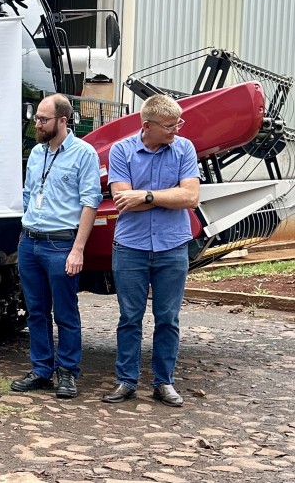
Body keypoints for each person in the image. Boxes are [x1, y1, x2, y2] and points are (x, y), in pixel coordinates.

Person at [103, 94, 199, 407]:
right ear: (147, 125)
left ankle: (164, 383)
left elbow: (190, 198)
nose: (176, 129)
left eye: (178, 123)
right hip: (131, 247)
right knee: (130, 317)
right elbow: (122, 200)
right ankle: (126, 381)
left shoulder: (184, 148)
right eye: (169, 125)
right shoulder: (122, 150)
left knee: (168, 318)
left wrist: (145, 196)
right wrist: (168, 197)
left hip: (172, 246)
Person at [10, 94, 101, 400]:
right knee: (36, 311)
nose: (37, 124)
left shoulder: (83, 153)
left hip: (61, 244)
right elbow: (28, 194)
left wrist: (78, 249)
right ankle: (41, 369)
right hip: (30, 241)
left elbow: (90, 202)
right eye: (36, 117)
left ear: (63, 120)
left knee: (65, 312)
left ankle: (67, 372)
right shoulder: (37, 153)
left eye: (43, 119)